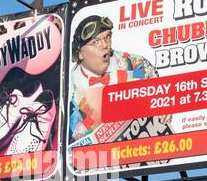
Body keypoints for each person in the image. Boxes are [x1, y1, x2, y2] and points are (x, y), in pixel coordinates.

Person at [68, 14, 170, 146]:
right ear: (80, 53)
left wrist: (163, 106)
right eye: (95, 42)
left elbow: (158, 85)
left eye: (107, 37)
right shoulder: (69, 84)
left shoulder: (130, 63)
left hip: (143, 142)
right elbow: (74, 134)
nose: (104, 45)